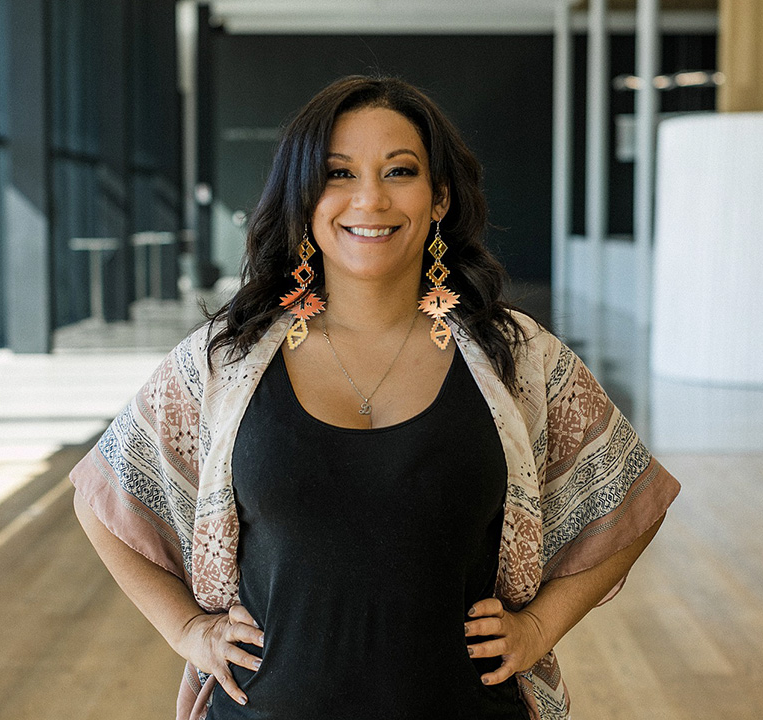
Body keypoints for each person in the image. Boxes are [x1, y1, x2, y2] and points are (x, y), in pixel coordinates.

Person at [70, 75, 680, 720]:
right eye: (337, 174)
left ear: (438, 197)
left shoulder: (516, 357)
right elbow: (102, 494)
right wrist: (187, 629)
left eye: (399, 171)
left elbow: (634, 500)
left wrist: (539, 627)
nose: (370, 198)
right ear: (304, 198)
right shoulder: (227, 360)